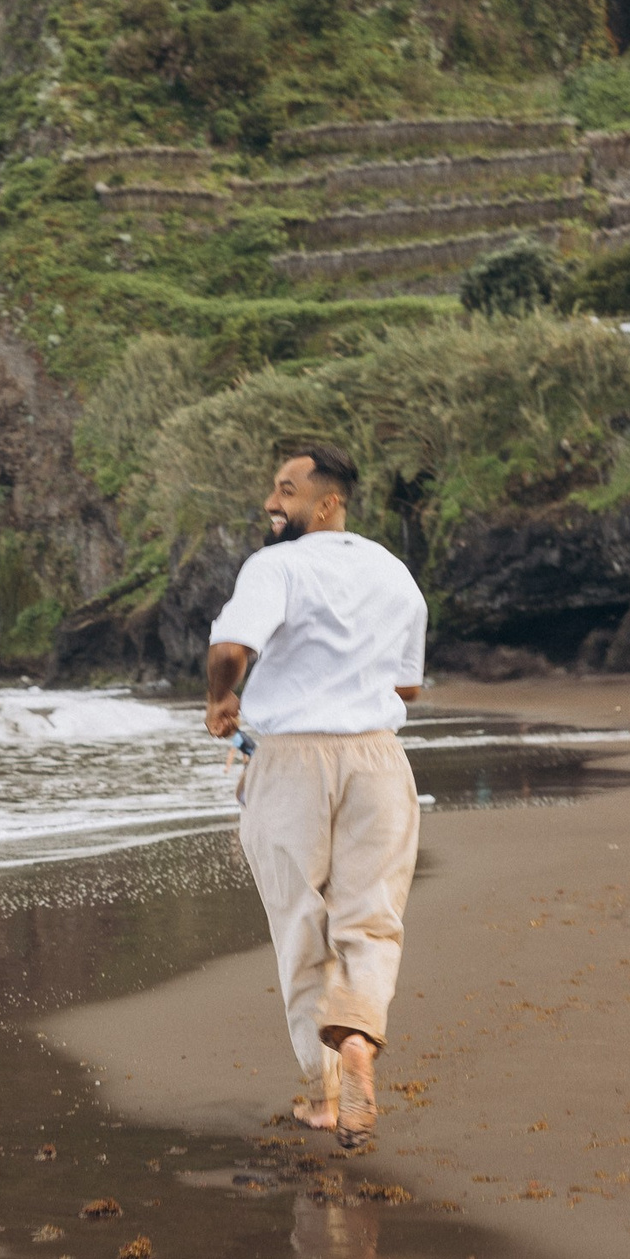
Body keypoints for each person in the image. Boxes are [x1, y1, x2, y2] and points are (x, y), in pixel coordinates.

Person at [204, 446, 426, 1150]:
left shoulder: (278, 567)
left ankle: (326, 1091)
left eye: (286, 490)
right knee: (372, 919)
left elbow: (231, 646)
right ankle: (359, 1033)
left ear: (325, 504)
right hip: (379, 759)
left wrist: (221, 698)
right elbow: (408, 687)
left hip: (293, 760)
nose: (273, 501)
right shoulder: (393, 571)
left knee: (302, 923)